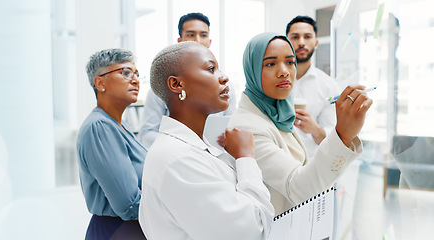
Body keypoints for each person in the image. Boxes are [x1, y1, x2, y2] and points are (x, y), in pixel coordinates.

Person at [139, 41, 273, 239]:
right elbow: (252, 230)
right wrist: (245, 158)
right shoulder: (177, 159)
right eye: (211, 69)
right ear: (176, 84)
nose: (224, 77)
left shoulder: (193, 149)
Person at [228, 32, 373, 215]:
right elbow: (297, 187)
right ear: (252, 70)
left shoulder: (279, 113)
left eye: (290, 62)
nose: (284, 72)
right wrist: (343, 134)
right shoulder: (248, 127)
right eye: (271, 64)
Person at [138, 12, 237, 149]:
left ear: (209, 41)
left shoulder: (226, 87)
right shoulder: (160, 88)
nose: (198, 40)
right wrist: (189, 146)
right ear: (180, 41)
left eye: (203, 35)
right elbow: (147, 134)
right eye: (191, 35)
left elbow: (231, 127)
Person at [77, 48, 147, 239]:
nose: (135, 80)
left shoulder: (120, 125)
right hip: (117, 231)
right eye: (125, 72)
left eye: (137, 74)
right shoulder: (100, 127)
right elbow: (129, 205)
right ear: (100, 83)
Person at [286, 15, 340, 158]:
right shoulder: (271, 79)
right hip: (274, 163)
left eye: (307, 36)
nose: (301, 42)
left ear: (316, 43)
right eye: (295, 37)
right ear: (286, 42)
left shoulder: (328, 86)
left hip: (311, 167)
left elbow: (334, 140)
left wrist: (314, 129)